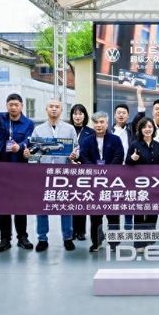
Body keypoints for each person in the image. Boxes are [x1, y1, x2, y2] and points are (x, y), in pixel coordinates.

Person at [0, 82, 35, 253]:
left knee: (20, 204)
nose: (13, 107)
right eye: (10, 105)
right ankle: (5, 239)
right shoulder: (1, 119)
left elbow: (29, 139)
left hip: (19, 169)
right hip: (0, 168)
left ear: (21, 106)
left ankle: (22, 237)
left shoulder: (28, 123)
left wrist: (21, 146)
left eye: (16, 105)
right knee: (3, 205)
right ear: (7, 106)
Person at [25, 99, 77, 253]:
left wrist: (75, 155)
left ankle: (67, 237)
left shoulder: (69, 129)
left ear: (61, 110)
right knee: (42, 207)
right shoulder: (38, 130)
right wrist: (29, 156)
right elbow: (34, 153)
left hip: (64, 174)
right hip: (44, 174)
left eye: (57, 107)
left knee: (65, 207)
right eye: (51, 107)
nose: (54, 109)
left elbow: (76, 148)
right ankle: (42, 239)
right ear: (46, 109)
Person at [79, 111, 124, 252]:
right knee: (95, 215)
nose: (99, 125)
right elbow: (83, 157)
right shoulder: (87, 141)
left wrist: (107, 171)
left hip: (112, 182)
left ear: (107, 123)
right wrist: (95, 171)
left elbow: (119, 156)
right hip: (94, 183)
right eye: (96, 122)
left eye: (102, 122)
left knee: (113, 215)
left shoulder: (115, 139)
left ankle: (114, 242)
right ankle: (96, 242)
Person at [126, 117, 159, 252]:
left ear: (153, 129)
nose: (147, 129)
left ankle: (149, 238)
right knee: (139, 213)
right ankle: (139, 243)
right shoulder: (135, 145)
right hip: (139, 185)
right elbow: (127, 163)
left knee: (153, 212)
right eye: (144, 127)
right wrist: (132, 158)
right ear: (140, 129)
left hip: (155, 184)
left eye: (150, 127)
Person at [68, 103, 94, 241]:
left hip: (84, 169)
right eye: (75, 114)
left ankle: (81, 231)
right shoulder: (67, 129)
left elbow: (92, 151)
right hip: (68, 169)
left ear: (85, 116)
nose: (77, 117)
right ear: (71, 116)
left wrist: (83, 161)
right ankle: (72, 230)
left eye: (80, 114)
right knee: (71, 201)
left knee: (82, 199)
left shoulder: (91, 132)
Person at [110, 103, 136, 230]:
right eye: (119, 113)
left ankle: (128, 222)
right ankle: (114, 226)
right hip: (113, 169)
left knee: (129, 196)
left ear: (128, 116)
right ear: (114, 115)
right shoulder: (109, 131)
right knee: (113, 197)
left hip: (129, 168)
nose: (121, 115)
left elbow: (140, 115)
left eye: (124, 113)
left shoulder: (131, 130)